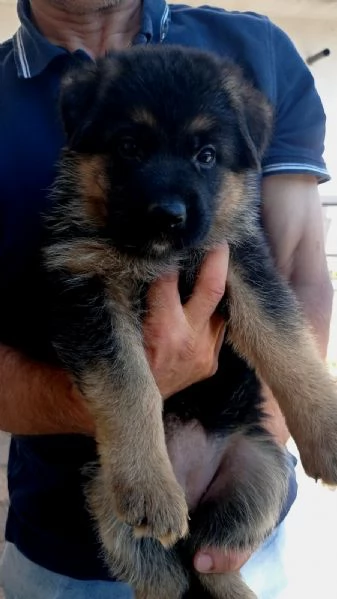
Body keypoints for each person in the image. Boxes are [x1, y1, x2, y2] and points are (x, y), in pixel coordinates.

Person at [0, 0, 333, 597]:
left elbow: (297, 276)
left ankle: (222, 577)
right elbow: (93, 333)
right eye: (131, 150)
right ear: (80, 143)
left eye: (205, 156)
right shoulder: (86, 140)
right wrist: (134, 431)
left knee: (241, 512)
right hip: (71, 539)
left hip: (240, 466)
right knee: (154, 571)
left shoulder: (257, 51)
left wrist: (309, 420)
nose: (171, 197)